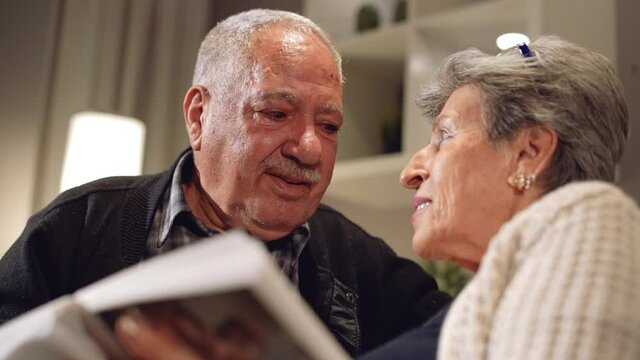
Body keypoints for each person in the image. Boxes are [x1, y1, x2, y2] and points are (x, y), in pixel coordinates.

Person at [0, 9, 450, 357]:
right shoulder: (76, 228)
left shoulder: (362, 263)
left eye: (330, 126)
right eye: (276, 114)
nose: (310, 149)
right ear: (199, 116)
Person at [361, 36, 640, 359]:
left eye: (444, 137)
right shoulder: (479, 314)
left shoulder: (601, 225)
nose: (409, 172)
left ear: (528, 152)